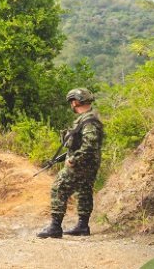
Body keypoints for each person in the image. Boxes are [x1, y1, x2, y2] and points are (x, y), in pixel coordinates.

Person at [37, 88, 104, 239]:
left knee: (58, 187)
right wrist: (63, 157)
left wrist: (74, 159)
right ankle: (82, 226)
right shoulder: (90, 118)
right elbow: (81, 144)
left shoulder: (88, 121)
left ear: (75, 102)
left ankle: (55, 227)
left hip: (81, 165)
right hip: (89, 164)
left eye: (71, 102)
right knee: (84, 191)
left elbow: (89, 146)